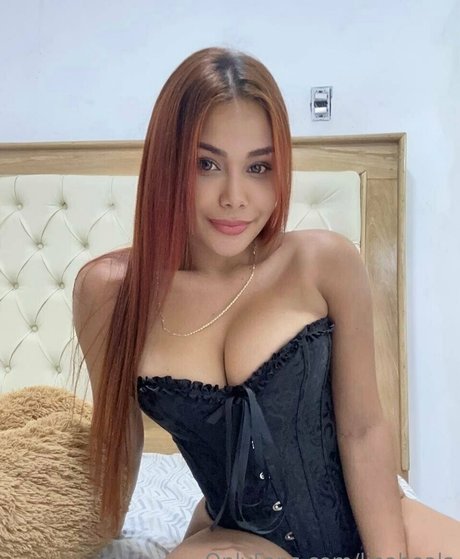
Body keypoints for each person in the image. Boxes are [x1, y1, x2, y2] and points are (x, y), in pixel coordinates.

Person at [72, 47, 460, 559]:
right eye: (207, 164)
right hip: (242, 538)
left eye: (259, 167)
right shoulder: (110, 293)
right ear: (166, 163)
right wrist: (93, 539)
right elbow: (119, 439)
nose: (235, 196)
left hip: (376, 512)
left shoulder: (325, 263)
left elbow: (362, 429)